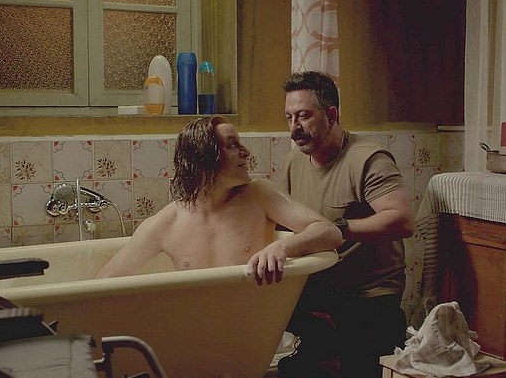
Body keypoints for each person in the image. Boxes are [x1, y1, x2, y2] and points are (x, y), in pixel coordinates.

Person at [277, 71, 415, 378]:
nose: (294, 127)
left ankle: (376, 333)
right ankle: (322, 339)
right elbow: (283, 219)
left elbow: (402, 220)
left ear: (331, 114)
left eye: (304, 116)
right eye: (289, 117)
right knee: (259, 290)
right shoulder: (294, 162)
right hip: (319, 282)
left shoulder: (368, 159)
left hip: (368, 290)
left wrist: (339, 229)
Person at [96, 116, 342, 284]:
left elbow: (330, 232)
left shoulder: (259, 196)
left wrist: (282, 247)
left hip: (253, 329)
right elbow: (106, 280)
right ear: (205, 158)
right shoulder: (166, 223)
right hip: (194, 332)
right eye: (232, 145)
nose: (246, 151)